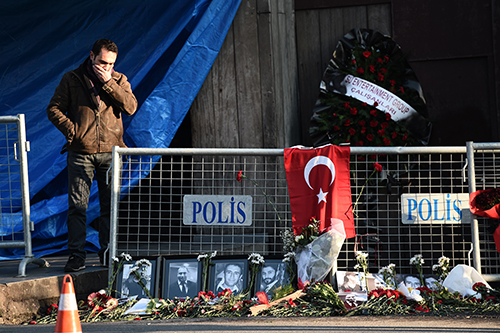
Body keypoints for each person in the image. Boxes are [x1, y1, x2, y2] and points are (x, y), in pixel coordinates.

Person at [47, 39, 137, 272]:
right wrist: (71, 130)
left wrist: (109, 83)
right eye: (102, 62)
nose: (106, 67)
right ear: (91, 56)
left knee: (110, 206)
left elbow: (130, 107)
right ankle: (76, 255)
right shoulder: (72, 79)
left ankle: (108, 253)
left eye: (111, 64)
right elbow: (53, 108)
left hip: (111, 152)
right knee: (77, 206)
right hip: (81, 153)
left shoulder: (119, 79)